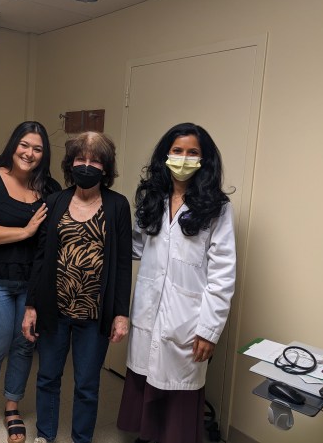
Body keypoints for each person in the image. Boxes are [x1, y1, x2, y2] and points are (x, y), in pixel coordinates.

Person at [117, 123, 236, 443]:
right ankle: (147, 436)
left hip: (189, 317)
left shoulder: (217, 208)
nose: (184, 158)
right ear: (165, 156)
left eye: (192, 153)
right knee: (147, 377)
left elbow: (223, 274)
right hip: (149, 307)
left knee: (179, 390)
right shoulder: (152, 199)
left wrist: (208, 330)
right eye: (178, 151)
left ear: (204, 160)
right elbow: (137, 246)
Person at [22, 131, 132, 443]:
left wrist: (121, 314)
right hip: (53, 309)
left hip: (95, 314)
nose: (87, 165)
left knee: (86, 383)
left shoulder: (117, 206)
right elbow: (40, 258)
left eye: (95, 160)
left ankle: (81, 438)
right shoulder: (55, 202)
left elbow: (123, 263)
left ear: (105, 168)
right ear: (70, 165)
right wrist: (31, 307)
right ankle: (45, 434)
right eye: (80, 159)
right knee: (47, 377)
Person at [0, 121, 61, 443]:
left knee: (24, 347)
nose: (29, 153)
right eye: (24, 145)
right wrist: (24, 232)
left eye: (37, 148)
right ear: (13, 145)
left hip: (32, 286)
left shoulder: (50, 188)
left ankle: (12, 406)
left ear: (43, 154)